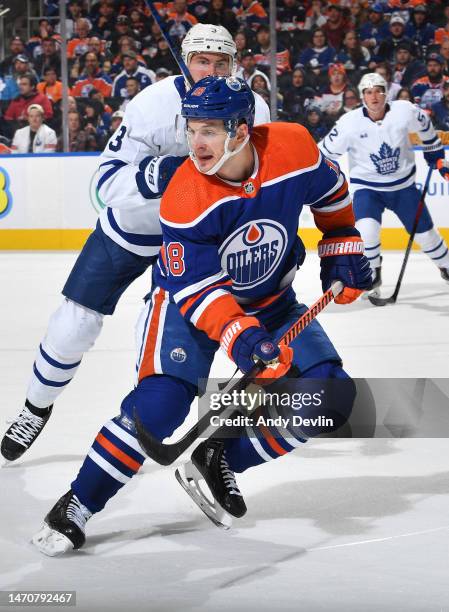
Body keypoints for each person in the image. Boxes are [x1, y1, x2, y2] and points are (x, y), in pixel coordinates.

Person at [32, 76, 371, 555]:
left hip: (270, 300)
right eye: (191, 128)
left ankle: (221, 456)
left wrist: (340, 246)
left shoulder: (292, 146)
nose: (196, 143)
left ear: (242, 129)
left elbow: (332, 190)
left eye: (209, 129)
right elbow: (198, 291)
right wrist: (245, 339)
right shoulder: (186, 195)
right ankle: (77, 503)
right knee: (160, 406)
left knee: (330, 396)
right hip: (186, 310)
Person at [1, 24, 270, 463]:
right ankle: (36, 407)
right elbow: (108, 182)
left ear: (234, 64)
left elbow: (265, 171)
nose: (212, 70)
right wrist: (163, 173)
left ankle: (143, 424)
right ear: (186, 60)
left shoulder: (252, 105)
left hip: (197, 238)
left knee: (192, 341)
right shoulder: (153, 104)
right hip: (133, 229)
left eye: (222, 62)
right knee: (74, 325)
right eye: (203, 61)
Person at [319, 73, 449, 298]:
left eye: (378, 90)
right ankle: (373, 273)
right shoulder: (349, 122)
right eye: (368, 92)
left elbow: (426, 126)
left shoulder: (404, 110)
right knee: (367, 232)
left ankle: (446, 265)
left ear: (385, 92)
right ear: (362, 96)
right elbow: (324, 152)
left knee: (426, 235)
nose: (374, 96)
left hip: (403, 187)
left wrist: (435, 153)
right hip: (368, 188)